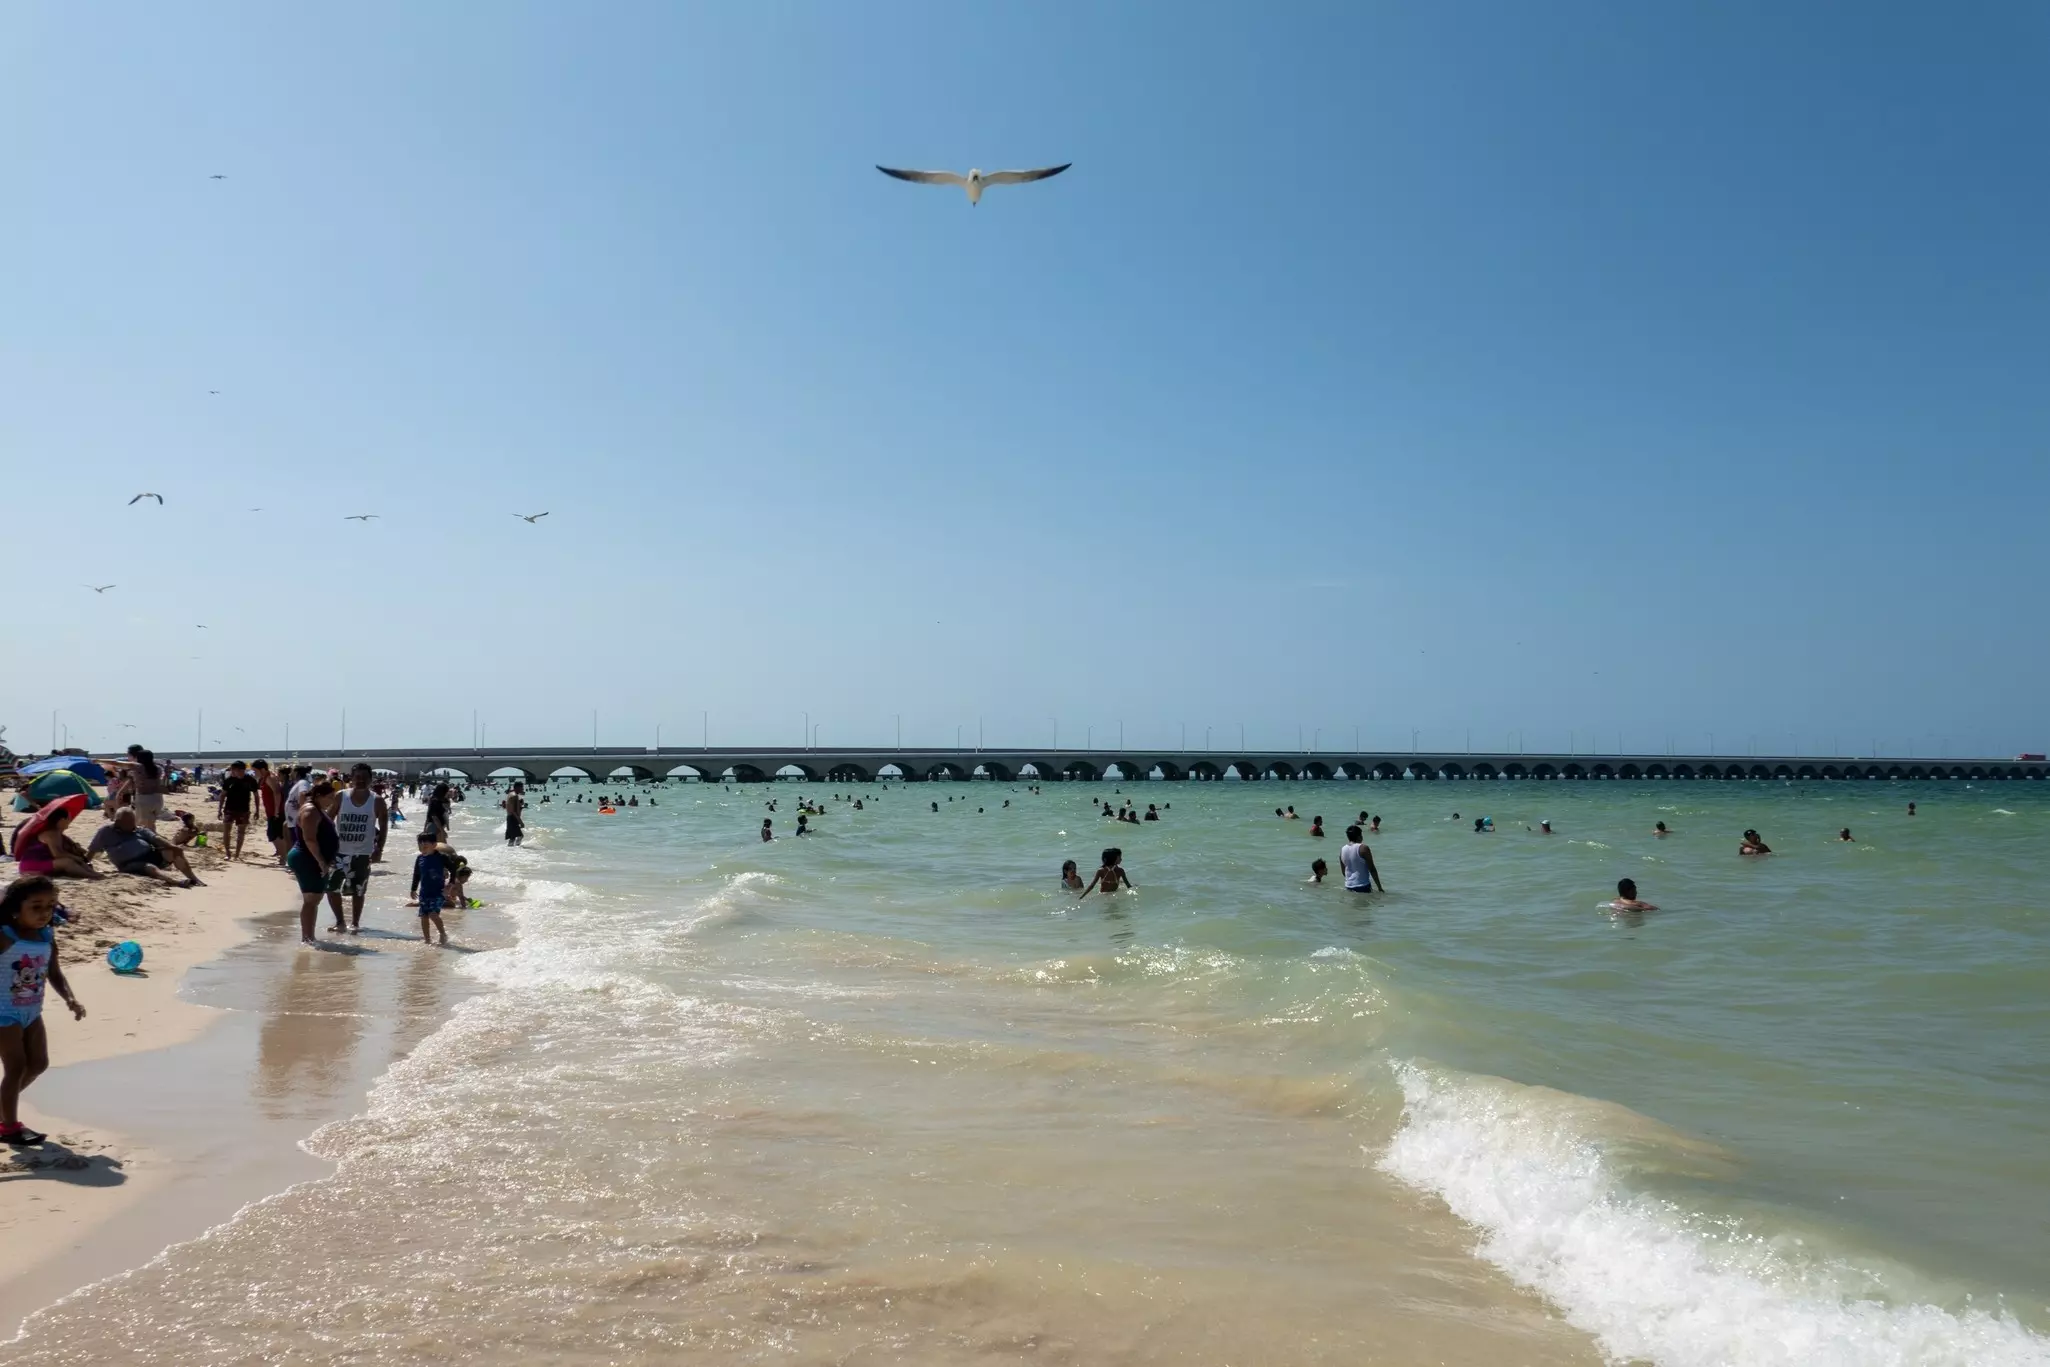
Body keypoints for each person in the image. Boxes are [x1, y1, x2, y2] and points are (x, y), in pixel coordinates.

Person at [0, 877, 85, 1147]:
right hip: (3, 1013)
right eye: (36, 907)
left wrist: (71, 999)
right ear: (15, 909)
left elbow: (54, 973)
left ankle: (4, 1109)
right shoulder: (4, 936)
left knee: (38, 1064)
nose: (44, 913)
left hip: (32, 1011)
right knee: (16, 1067)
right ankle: (9, 1127)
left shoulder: (47, 937)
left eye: (50, 906)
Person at [288, 781, 346, 944]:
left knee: (314, 899)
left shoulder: (317, 809)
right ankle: (307, 938)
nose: (332, 801)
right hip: (307, 858)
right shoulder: (310, 811)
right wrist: (321, 861)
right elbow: (309, 839)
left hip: (313, 858)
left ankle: (309, 937)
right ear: (319, 796)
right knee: (311, 899)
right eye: (329, 797)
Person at [87, 808, 205, 887]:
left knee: (174, 851)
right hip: (129, 863)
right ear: (118, 822)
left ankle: (194, 879)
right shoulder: (105, 832)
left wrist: (172, 846)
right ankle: (175, 882)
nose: (132, 826)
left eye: (133, 822)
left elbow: (155, 838)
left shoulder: (137, 829)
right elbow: (92, 851)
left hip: (151, 854)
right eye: (129, 824)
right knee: (150, 867)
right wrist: (86, 864)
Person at [333, 765, 388, 933]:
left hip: (363, 853)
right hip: (339, 851)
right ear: (351, 778)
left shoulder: (377, 800)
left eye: (365, 777)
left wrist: (379, 849)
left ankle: (355, 923)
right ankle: (340, 921)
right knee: (332, 887)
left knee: (358, 890)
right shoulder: (341, 797)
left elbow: (384, 826)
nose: (361, 780)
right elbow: (328, 819)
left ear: (371, 779)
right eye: (357, 777)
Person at [11, 808, 98, 880]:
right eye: (68, 818)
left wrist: (77, 852)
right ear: (62, 820)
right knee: (67, 862)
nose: (70, 821)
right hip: (31, 865)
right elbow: (57, 854)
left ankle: (94, 874)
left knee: (75, 860)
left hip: (42, 863)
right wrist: (76, 857)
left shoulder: (58, 834)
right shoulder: (51, 834)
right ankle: (92, 876)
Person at [406, 832, 451, 946]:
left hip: (438, 892)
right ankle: (427, 940)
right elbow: (416, 875)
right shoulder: (419, 858)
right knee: (424, 916)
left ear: (434, 844)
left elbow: (454, 870)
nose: (422, 845)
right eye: (420, 843)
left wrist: (450, 884)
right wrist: (413, 889)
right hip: (424, 892)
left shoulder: (441, 857)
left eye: (426, 842)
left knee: (433, 914)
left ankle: (442, 933)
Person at [115, 745, 166, 832]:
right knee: (150, 822)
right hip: (157, 798)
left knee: (141, 823)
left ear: (135, 756)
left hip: (143, 798)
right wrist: (120, 792)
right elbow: (131, 780)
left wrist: (99, 760)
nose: (127, 757)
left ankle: (147, 840)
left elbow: (120, 766)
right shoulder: (157, 768)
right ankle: (152, 839)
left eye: (128, 754)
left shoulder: (137, 766)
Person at [216, 760, 259, 860]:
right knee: (227, 831)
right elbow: (223, 795)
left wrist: (257, 810)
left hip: (244, 809)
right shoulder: (229, 780)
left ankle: (237, 854)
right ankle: (228, 853)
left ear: (239, 770)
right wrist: (219, 809)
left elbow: (256, 795)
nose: (231, 771)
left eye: (233, 769)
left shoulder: (250, 780)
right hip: (229, 809)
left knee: (241, 832)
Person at [253, 759, 288, 864]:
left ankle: (283, 857)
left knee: (275, 834)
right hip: (271, 811)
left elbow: (277, 793)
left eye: (256, 771)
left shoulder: (270, 777)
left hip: (276, 811)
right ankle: (281, 853)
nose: (255, 773)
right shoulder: (265, 778)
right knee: (274, 833)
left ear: (262, 769)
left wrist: (277, 810)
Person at [1339, 826, 1382, 892]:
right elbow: (1372, 869)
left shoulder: (1342, 849)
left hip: (1348, 886)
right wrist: (1379, 887)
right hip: (1363, 886)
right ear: (1359, 836)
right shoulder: (1363, 848)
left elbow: (1343, 871)